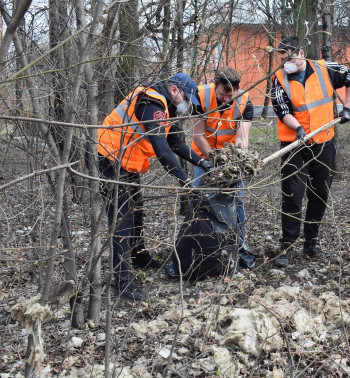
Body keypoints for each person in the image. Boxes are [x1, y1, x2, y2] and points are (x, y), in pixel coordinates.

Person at [98, 73, 210, 301]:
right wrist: (185, 180)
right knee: (121, 220)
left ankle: (139, 256)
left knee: (136, 210)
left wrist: (203, 162)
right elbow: (162, 149)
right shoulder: (151, 104)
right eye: (186, 98)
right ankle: (123, 283)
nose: (187, 105)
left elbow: (176, 142)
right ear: (174, 90)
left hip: (127, 163)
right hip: (110, 159)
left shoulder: (166, 108)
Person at [271, 36, 350, 267]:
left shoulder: (324, 68)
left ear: (300, 52)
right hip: (294, 146)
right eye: (281, 58)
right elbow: (282, 110)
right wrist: (298, 127)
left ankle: (311, 242)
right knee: (292, 194)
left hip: (324, 142)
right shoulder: (279, 78)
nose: (285, 62)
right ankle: (287, 245)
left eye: (288, 57)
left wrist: (346, 108)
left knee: (320, 193)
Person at [191, 66, 253, 254]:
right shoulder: (199, 96)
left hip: (231, 160)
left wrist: (235, 163)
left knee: (237, 201)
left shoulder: (244, 101)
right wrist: (215, 161)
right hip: (204, 157)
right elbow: (198, 135)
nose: (226, 100)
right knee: (200, 200)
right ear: (215, 85)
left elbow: (242, 138)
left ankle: (239, 245)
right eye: (221, 94)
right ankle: (201, 246)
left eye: (230, 95)